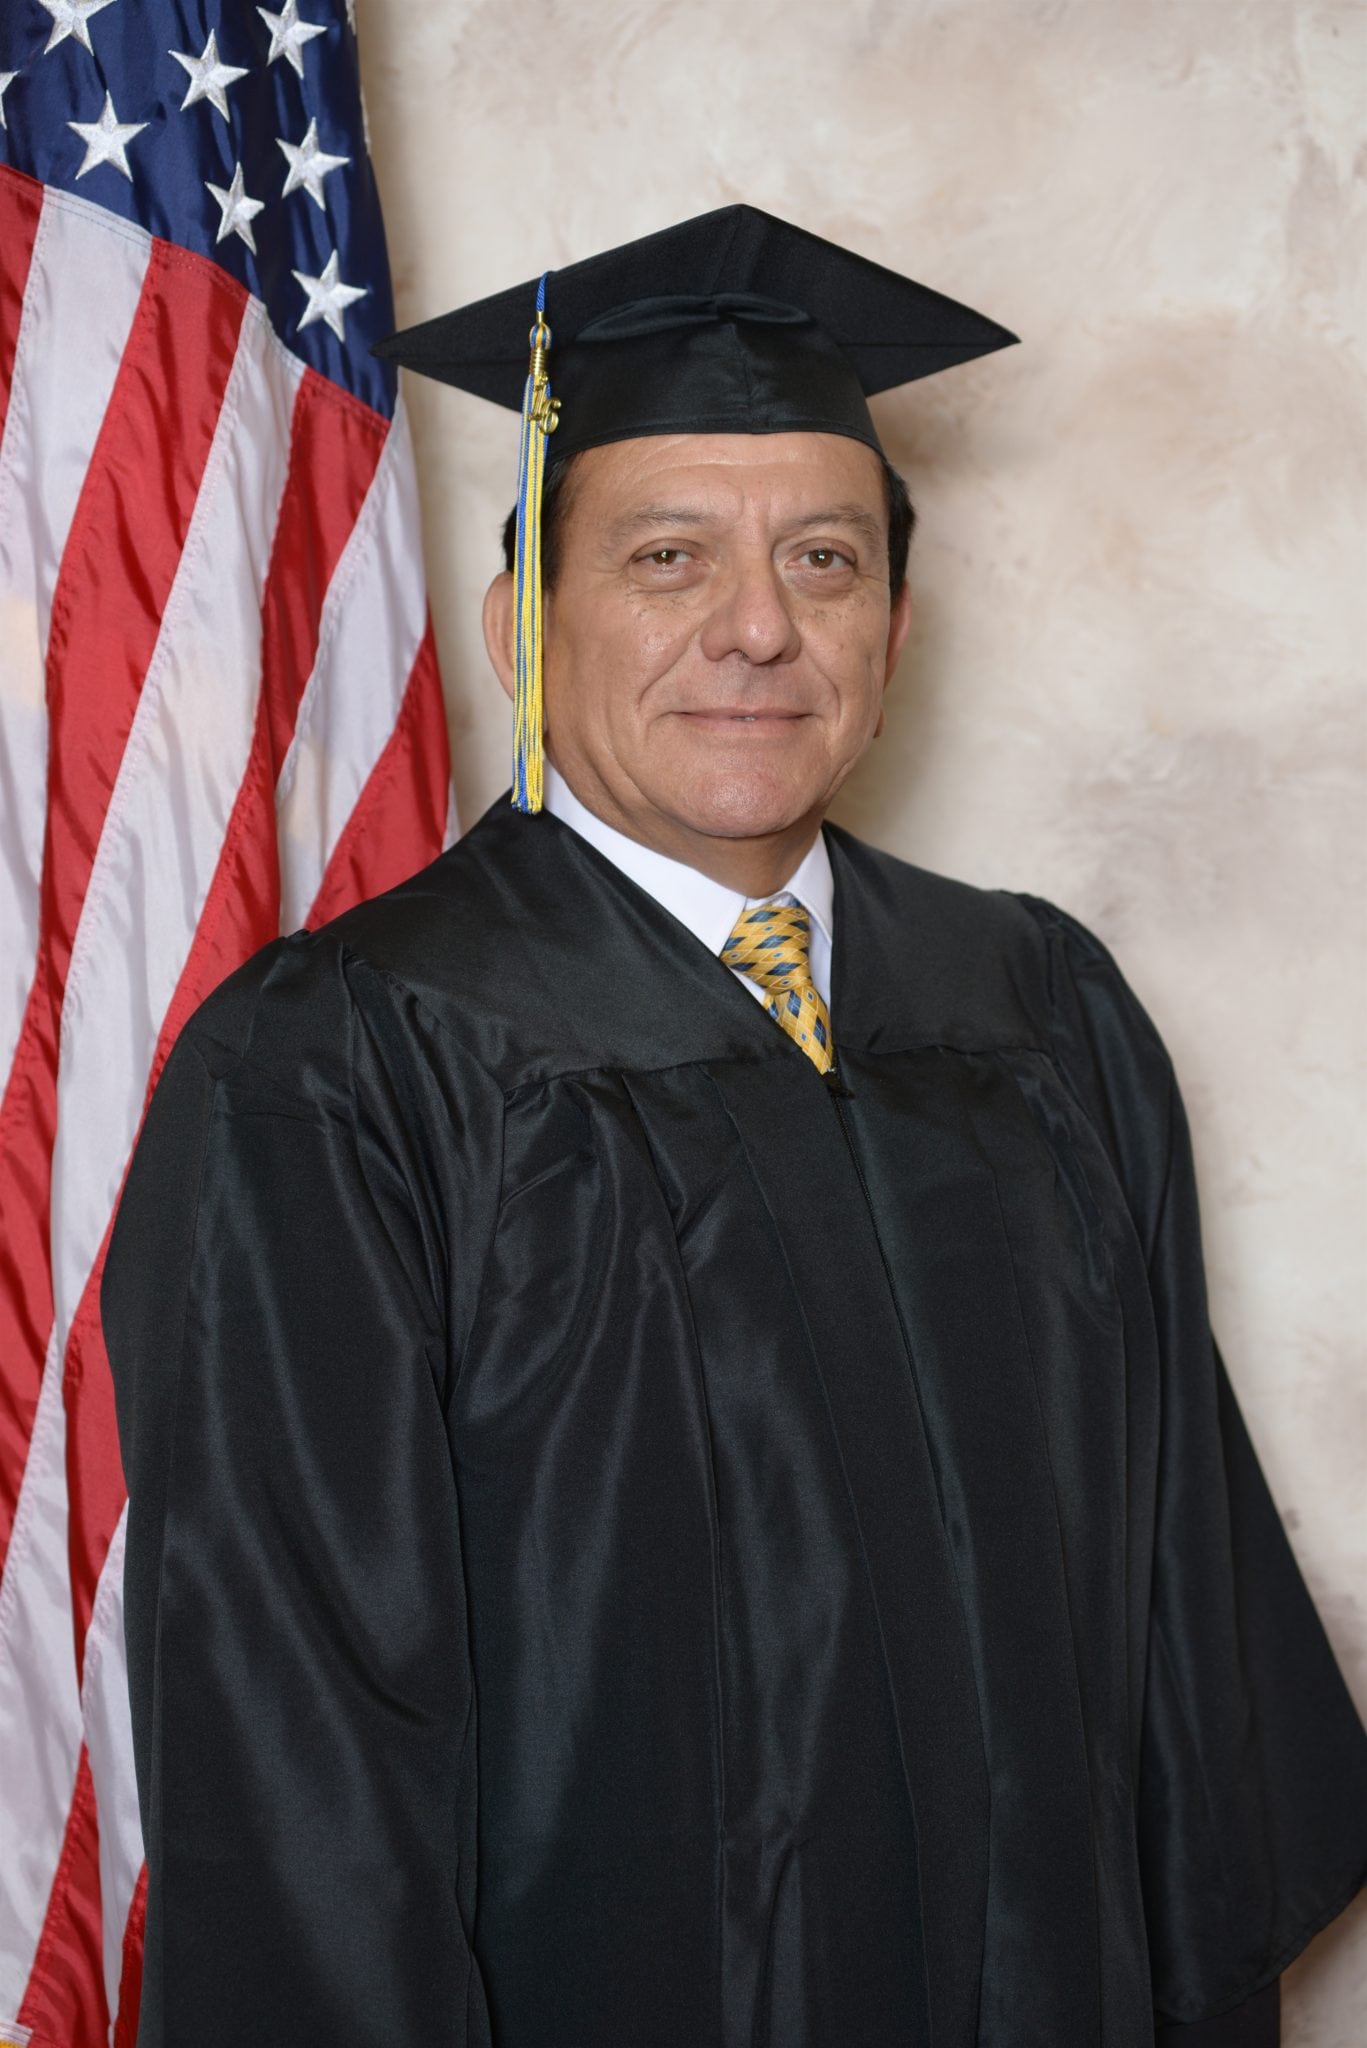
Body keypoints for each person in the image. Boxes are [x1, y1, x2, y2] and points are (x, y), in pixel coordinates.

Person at [101, 205, 1367, 2048]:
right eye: (668, 556)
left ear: (896, 628)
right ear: (522, 627)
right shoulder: (343, 1065)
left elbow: (1192, 1640)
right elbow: (299, 1769)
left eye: (825, 560)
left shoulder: (1041, 1007)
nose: (758, 627)